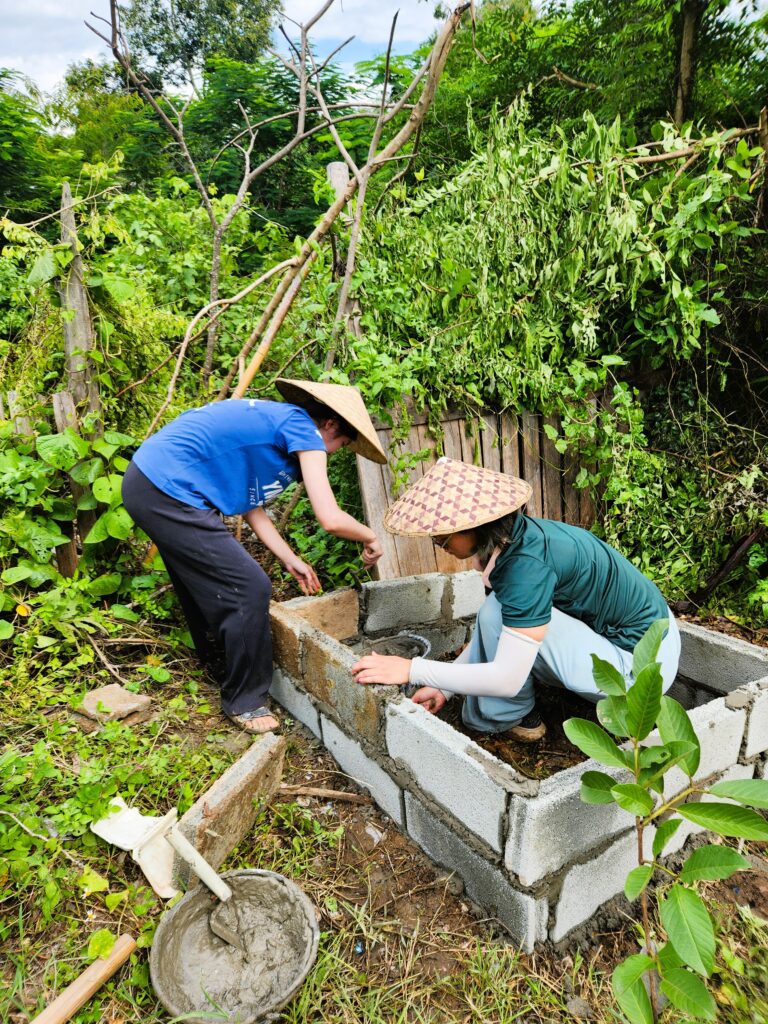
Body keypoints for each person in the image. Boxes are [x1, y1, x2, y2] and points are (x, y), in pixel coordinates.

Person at [122, 378, 386, 734]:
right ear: (329, 424)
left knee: (203, 582)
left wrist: (289, 558)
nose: (336, 451)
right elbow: (330, 517)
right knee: (249, 587)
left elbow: (251, 506)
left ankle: (217, 664)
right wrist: (371, 536)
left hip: (150, 483)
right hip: (168, 489)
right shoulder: (302, 429)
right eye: (342, 443)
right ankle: (244, 701)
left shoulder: (277, 427)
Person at [351, 457, 680, 741]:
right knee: (497, 613)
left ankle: (512, 717)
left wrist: (413, 669)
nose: (440, 544)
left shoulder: (526, 569)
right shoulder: (518, 539)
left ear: (476, 525)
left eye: (443, 537)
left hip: (638, 673)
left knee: (499, 618)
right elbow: (493, 630)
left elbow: (506, 677)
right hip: (646, 640)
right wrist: (445, 687)